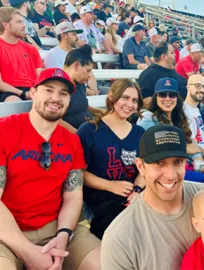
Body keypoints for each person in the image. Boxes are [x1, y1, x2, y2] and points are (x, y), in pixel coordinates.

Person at [101, 125, 204, 269]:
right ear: (141, 166)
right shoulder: (119, 238)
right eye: (159, 163)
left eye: (178, 162)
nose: (170, 175)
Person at [0, 68, 101, 270]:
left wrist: (64, 235)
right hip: (7, 233)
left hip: (55, 227)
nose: (56, 98)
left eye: (63, 93)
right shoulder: (5, 130)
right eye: (48, 90)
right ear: (33, 92)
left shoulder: (72, 141)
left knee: (108, 264)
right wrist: (28, 252)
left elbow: (73, 195)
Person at [77, 79, 145, 239]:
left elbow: (144, 169)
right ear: (112, 97)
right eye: (125, 98)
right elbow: (79, 173)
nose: (130, 104)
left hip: (134, 195)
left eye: (134, 100)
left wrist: (136, 191)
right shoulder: (89, 130)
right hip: (101, 198)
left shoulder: (139, 133)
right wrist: (111, 185)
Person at [137, 78, 204, 182]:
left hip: (183, 165)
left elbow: (194, 149)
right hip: (164, 169)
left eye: (172, 95)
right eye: (163, 95)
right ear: (156, 98)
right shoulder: (148, 118)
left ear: (177, 98)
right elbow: (152, 148)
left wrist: (202, 166)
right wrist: (185, 148)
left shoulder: (180, 118)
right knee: (202, 180)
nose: (168, 99)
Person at [0, 7, 43, 102]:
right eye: (19, 22)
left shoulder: (31, 48)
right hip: (8, 91)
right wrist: (22, 93)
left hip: (32, 90)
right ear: (5, 24)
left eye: (23, 22)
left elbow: (40, 77)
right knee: (13, 101)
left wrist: (36, 91)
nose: (24, 26)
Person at [61, 45, 103, 131]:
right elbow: (56, 120)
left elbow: (81, 107)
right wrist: (79, 136)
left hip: (88, 129)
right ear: (76, 66)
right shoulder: (58, 86)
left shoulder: (79, 83)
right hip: (72, 136)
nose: (89, 76)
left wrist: (101, 111)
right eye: (88, 71)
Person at [138, 42, 187, 108]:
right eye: (172, 53)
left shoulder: (174, 73)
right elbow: (148, 103)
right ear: (164, 56)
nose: (175, 55)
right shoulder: (148, 75)